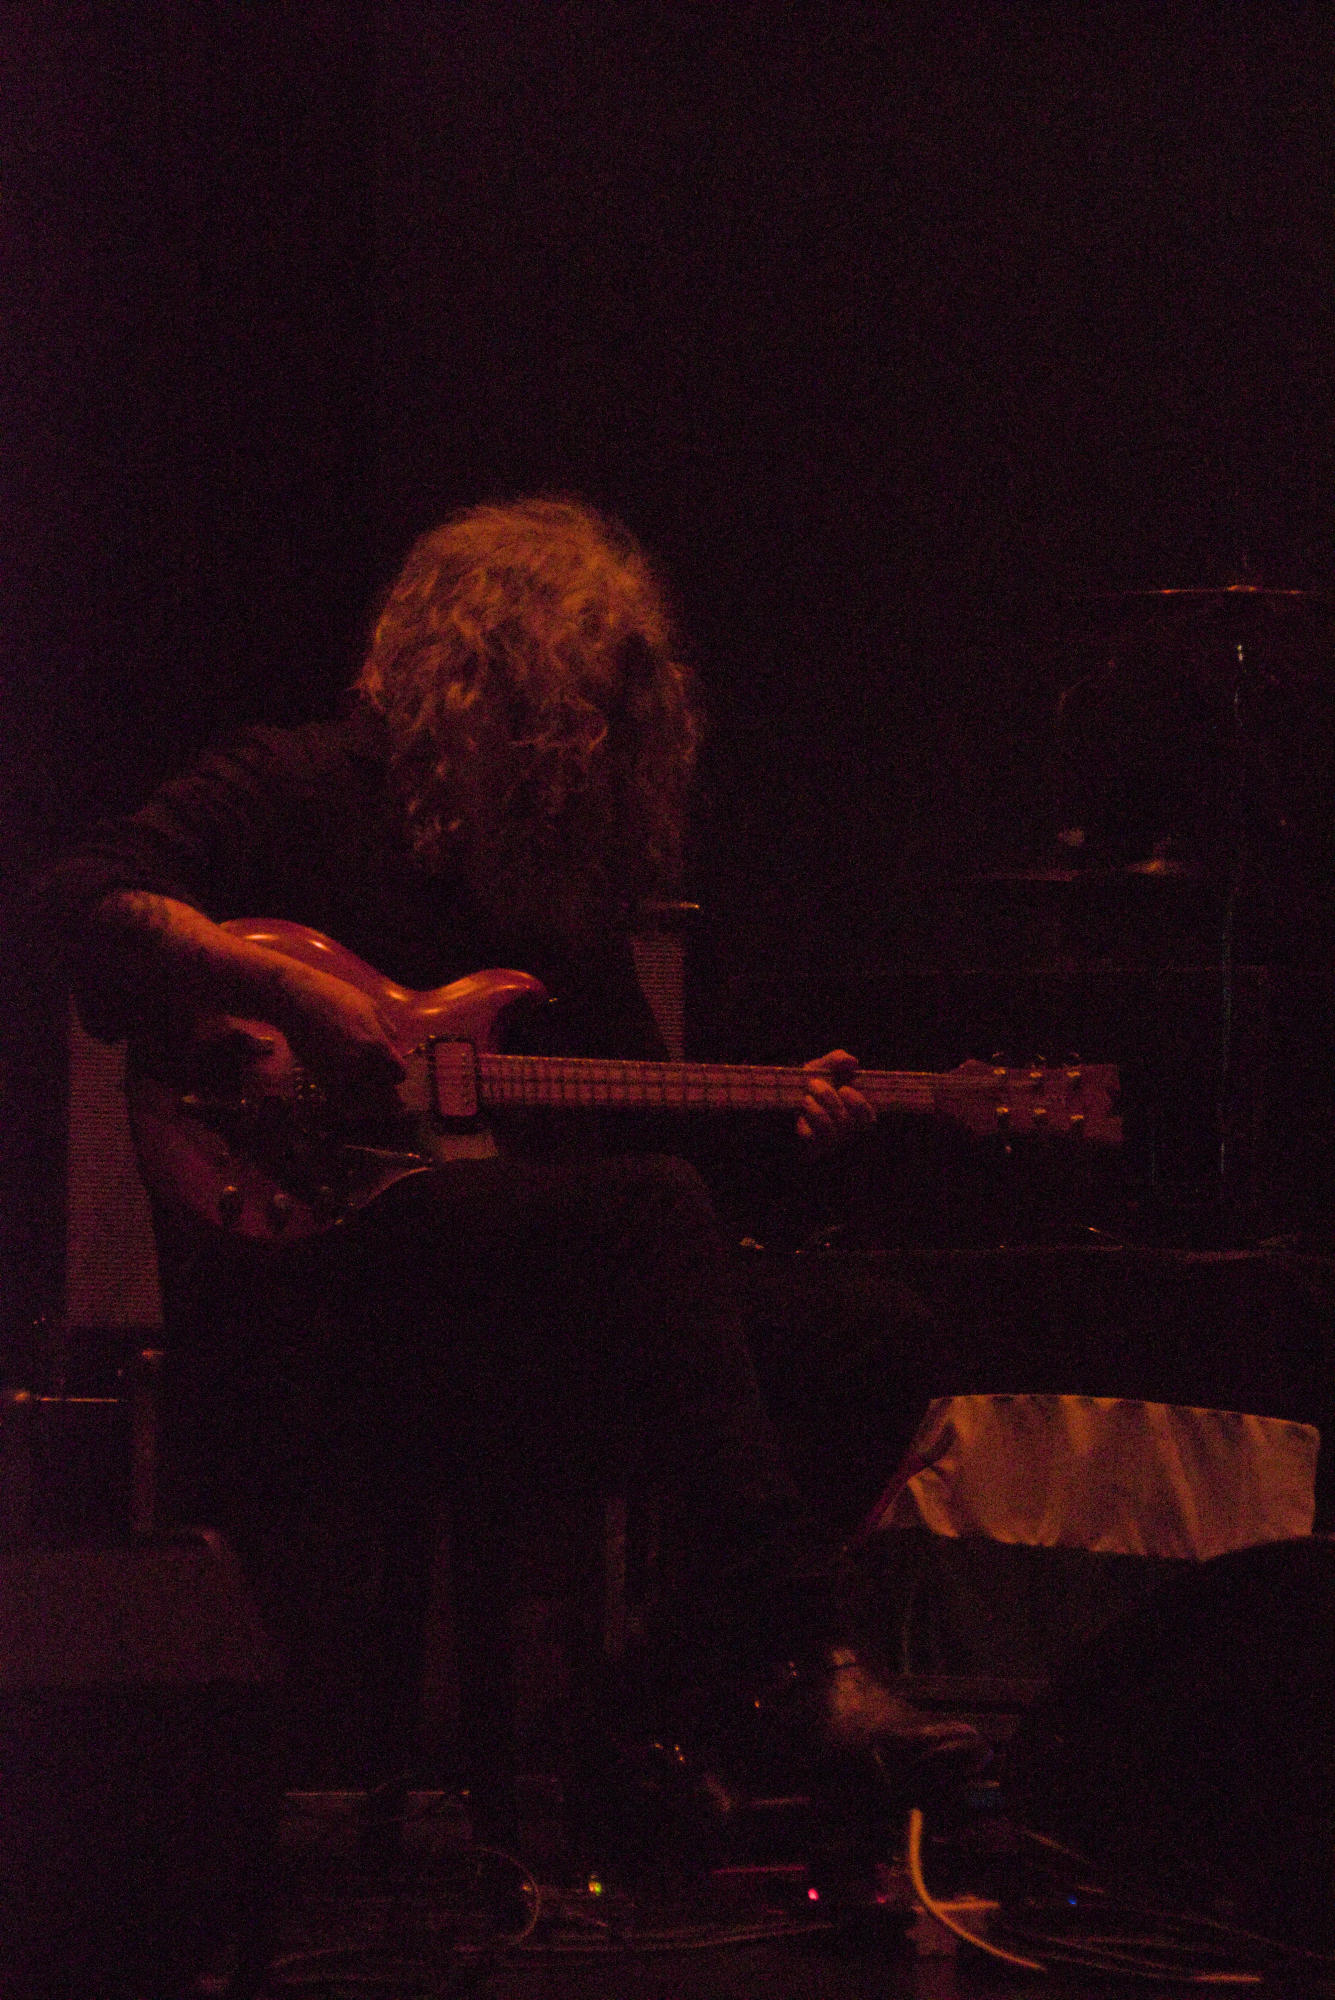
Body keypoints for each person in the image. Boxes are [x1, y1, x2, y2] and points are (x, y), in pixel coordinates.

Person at [42, 496, 925, 1842]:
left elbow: (652, 1161)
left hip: (501, 1322)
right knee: (648, 1215)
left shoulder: (545, 895)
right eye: (571, 720)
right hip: (318, 1300)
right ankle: (800, 1646)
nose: (590, 758)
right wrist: (287, 992)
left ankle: (644, 1706)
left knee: (869, 1334)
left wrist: (787, 1134)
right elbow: (74, 900)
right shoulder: (287, 785)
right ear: (488, 686)